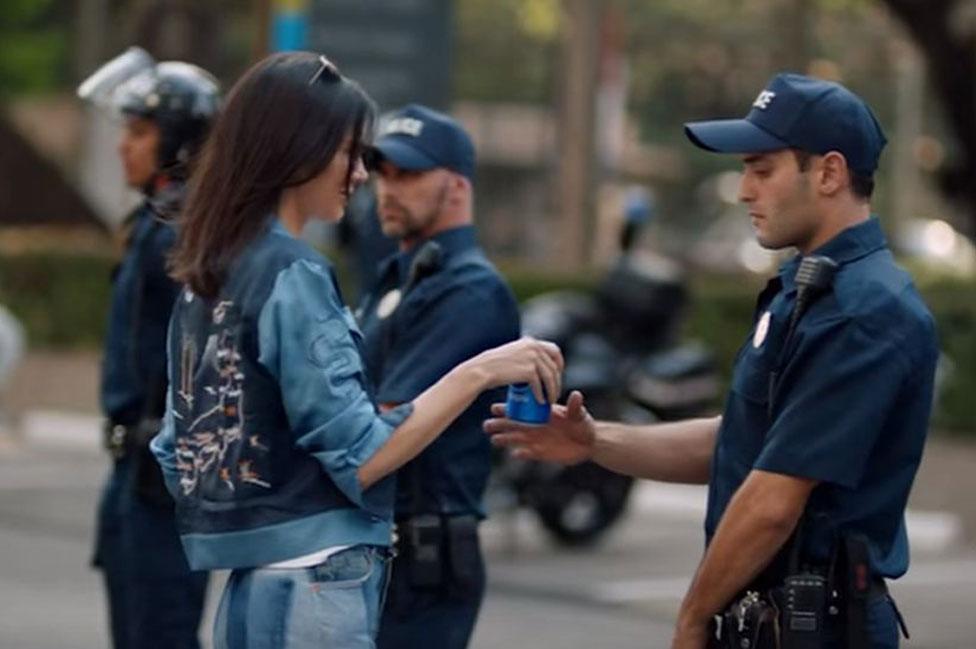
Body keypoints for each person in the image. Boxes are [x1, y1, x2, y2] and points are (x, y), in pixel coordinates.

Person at [487, 72, 938, 649]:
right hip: (772, 621)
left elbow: (775, 499)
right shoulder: (807, 288)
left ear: (828, 173)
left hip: (813, 627)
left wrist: (692, 617)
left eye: (761, 168)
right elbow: (742, 442)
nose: (745, 190)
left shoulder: (864, 312)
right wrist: (595, 442)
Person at [150, 51, 561, 649]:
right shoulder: (294, 273)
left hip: (246, 590)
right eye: (351, 153)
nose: (363, 176)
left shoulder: (206, 275)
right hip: (318, 584)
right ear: (302, 152)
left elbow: (175, 451)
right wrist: (481, 371)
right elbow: (364, 454)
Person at [357, 104, 521, 649]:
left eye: (407, 174)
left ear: (456, 186)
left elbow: (382, 422)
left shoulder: (469, 289)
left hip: (423, 559)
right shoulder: (398, 275)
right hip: (381, 547)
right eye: (382, 173)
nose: (387, 188)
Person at [78, 47, 218, 649]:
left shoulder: (187, 232)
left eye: (140, 131)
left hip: (162, 480)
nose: (123, 145)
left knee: (158, 633)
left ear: (181, 144)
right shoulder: (153, 223)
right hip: (130, 471)